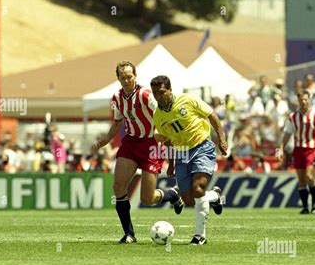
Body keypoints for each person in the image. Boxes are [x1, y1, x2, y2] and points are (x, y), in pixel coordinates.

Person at [93, 61, 183, 244]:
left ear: (135, 76)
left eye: (129, 77)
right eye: (123, 77)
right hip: (131, 143)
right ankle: (129, 234)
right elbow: (118, 122)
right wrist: (107, 139)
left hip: (152, 144)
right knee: (118, 187)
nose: (126, 80)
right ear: (118, 78)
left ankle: (173, 195)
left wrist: (166, 139)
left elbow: (163, 116)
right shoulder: (117, 98)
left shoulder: (146, 95)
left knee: (147, 199)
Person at [150, 75, 227, 245]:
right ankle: (215, 196)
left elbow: (212, 115)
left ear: (170, 90)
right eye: (155, 93)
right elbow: (168, 140)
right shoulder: (158, 116)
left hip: (201, 147)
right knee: (190, 200)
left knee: (198, 189)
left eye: (162, 92)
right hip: (181, 153)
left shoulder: (188, 100)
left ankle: (200, 236)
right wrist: (170, 164)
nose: (159, 96)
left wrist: (221, 139)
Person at [279, 90, 315, 214]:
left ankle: (314, 204)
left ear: (309, 100)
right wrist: (281, 148)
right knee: (301, 180)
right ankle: (305, 207)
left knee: (309, 176)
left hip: (312, 149)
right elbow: (287, 133)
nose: (304, 102)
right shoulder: (292, 117)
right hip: (298, 149)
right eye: (301, 99)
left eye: (306, 99)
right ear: (298, 100)